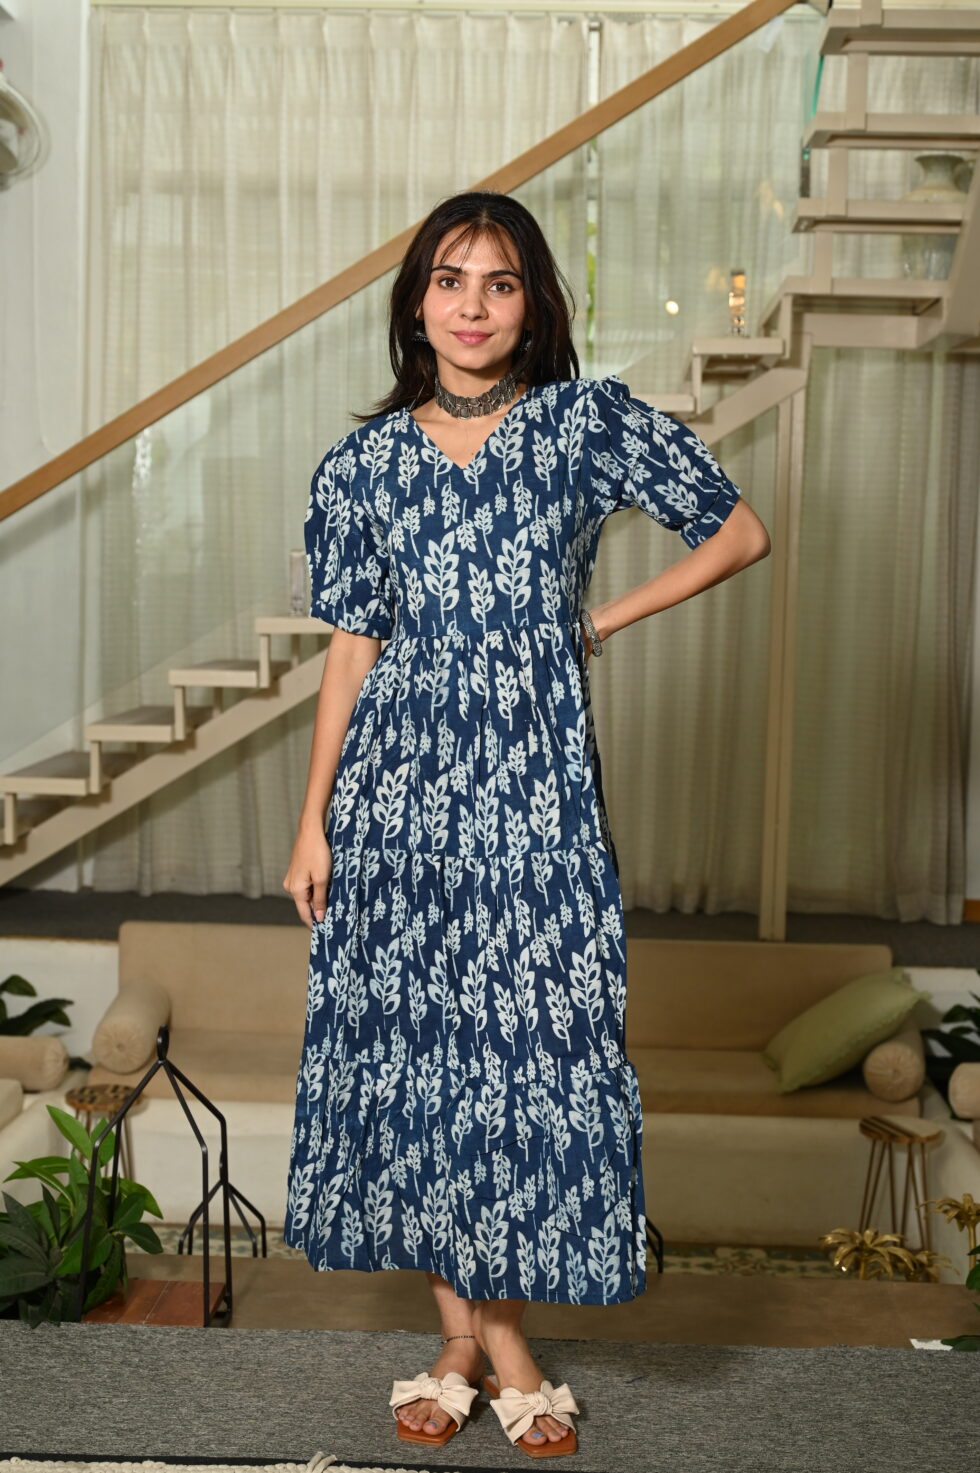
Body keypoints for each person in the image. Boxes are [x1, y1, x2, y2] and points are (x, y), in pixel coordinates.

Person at [282, 189, 770, 1458]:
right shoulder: (360, 466)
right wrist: (312, 821)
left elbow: (739, 532)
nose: (472, 306)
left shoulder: (580, 425)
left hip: (534, 798)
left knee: (527, 1058)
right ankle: (489, 1350)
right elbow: (351, 650)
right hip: (394, 799)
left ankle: (471, 1346)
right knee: (418, 1061)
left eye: (498, 282)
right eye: (448, 280)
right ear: (414, 304)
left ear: (532, 303)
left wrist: (594, 622)